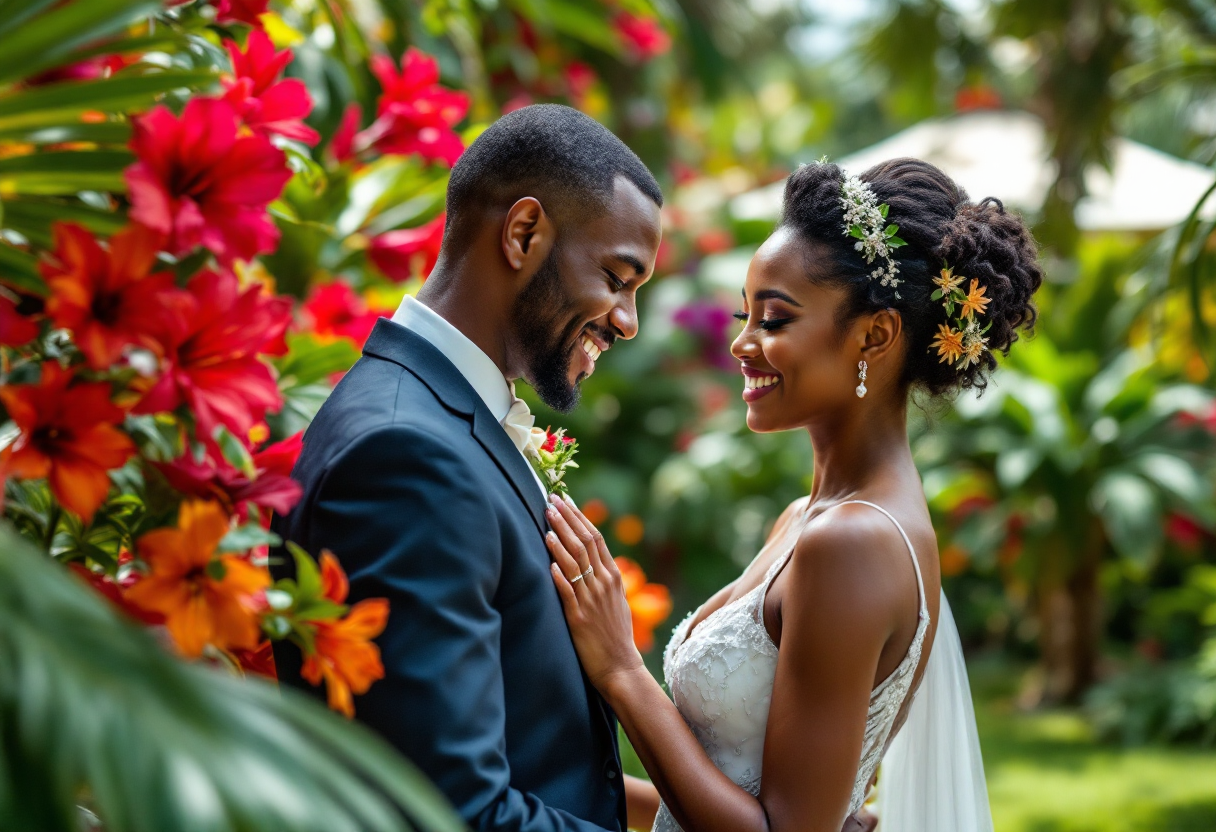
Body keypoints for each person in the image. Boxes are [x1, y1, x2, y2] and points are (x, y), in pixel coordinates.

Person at [543, 158, 1042, 832]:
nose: (742, 342)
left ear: (875, 334)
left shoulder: (854, 543)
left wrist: (622, 670)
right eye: (746, 313)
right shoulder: (809, 520)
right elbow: (733, 800)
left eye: (775, 321)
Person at [270, 103, 667, 832]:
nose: (627, 319)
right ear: (523, 234)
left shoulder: (439, 416)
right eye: (617, 277)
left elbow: (527, 753)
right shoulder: (405, 457)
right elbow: (453, 812)